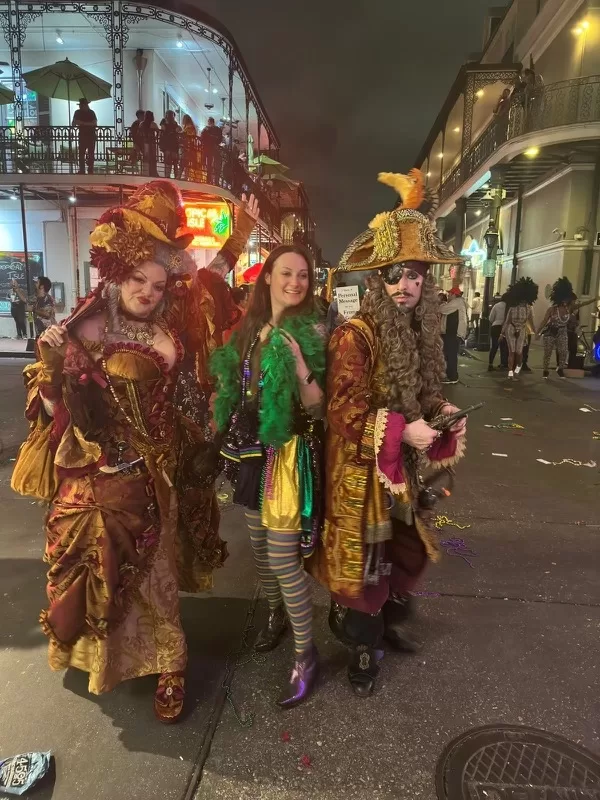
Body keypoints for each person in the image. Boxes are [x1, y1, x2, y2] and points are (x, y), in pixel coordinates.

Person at [11, 181, 260, 722]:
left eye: (158, 283)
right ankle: (103, 657)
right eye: (138, 280)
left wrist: (238, 239)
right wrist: (54, 369)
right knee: (91, 568)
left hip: (155, 474)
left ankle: (170, 663)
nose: (149, 291)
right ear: (116, 274)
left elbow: (210, 287)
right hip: (94, 475)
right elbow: (55, 411)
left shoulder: (171, 328)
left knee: (156, 577)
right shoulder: (84, 329)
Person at [310, 169, 467, 696]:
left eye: (415, 276)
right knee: (366, 566)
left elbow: (421, 392)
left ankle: (384, 626)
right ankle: (360, 645)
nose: (404, 285)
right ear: (380, 278)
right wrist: (403, 431)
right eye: (395, 274)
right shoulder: (356, 335)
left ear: (426, 283)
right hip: (361, 473)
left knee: (403, 551)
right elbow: (343, 413)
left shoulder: (423, 330)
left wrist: (441, 409)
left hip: (402, 471)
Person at [211, 245, 326, 708]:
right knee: (258, 547)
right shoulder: (249, 329)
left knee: (283, 560)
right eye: (286, 273)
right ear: (268, 279)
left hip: (287, 455)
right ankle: (275, 613)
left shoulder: (315, 330)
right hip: (250, 453)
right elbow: (234, 389)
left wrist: (300, 366)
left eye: (302, 275)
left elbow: (319, 406)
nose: (295, 282)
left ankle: (306, 653)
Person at [536, 277, 574, 379]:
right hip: (551, 332)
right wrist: (537, 333)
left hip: (562, 331)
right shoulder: (552, 310)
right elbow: (544, 321)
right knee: (548, 352)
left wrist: (595, 299)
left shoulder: (568, 309)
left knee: (564, 351)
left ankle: (560, 368)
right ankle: (545, 370)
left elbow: (582, 304)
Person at [500, 277, 538, 378]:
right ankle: (510, 373)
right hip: (510, 329)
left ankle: (518, 368)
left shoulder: (528, 309)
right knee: (511, 351)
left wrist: (536, 332)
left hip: (521, 330)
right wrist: (502, 333)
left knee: (519, 352)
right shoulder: (512, 308)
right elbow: (507, 321)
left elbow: (531, 322)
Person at [439, 287, 467, 384]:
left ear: (454, 295)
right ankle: (450, 375)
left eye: (450, 294)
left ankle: (453, 377)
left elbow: (442, 309)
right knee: (448, 354)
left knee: (451, 355)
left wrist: (441, 304)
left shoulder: (457, 302)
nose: (448, 295)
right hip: (451, 333)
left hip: (454, 334)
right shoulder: (456, 302)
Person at [72, 98, 97, 175]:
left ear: (85, 105)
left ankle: (90, 169)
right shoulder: (77, 112)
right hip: (83, 135)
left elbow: (95, 123)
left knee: (91, 154)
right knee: (81, 154)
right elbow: (74, 123)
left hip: (91, 135)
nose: (80, 107)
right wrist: (87, 123)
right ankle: (82, 170)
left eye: (81, 105)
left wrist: (82, 123)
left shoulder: (91, 113)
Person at [488, 292, 508, 371]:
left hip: (495, 326)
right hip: (505, 327)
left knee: (494, 346)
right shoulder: (509, 307)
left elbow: (491, 318)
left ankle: (490, 364)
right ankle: (503, 364)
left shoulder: (496, 306)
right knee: (504, 346)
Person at [159, 110, 182, 179]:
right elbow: (179, 129)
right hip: (173, 144)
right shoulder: (174, 123)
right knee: (174, 161)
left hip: (168, 144)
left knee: (168, 161)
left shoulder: (164, 122)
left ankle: (168, 176)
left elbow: (162, 131)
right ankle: (175, 175)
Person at [200, 117, 223, 184]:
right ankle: (216, 181)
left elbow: (202, 138)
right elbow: (219, 140)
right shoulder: (218, 130)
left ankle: (208, 180)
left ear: (209, 122)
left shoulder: (205, 129)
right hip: (215, 149)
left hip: (207, 149)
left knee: (209, 165)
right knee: (215, 166)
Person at [140, 111, 159, 177]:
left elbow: (140, 132)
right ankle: (153, 172)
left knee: (146, 157)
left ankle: (145, 172)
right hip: (152, 142)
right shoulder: (153, 124)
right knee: (153, 158)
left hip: (145, 142)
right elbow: (158, 131)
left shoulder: (142, 123)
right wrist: (155, 138)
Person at [180, 114, 197, 180]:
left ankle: (182, 176)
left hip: (187, 147)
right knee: (186, 163)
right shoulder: (191, 127)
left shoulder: (189, 127)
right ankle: (185, 176)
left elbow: (187, 136)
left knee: (183, 162)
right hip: (189, 148)